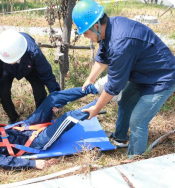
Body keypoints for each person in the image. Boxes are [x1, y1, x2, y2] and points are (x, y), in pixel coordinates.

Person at [72, 0, 175, 158]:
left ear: (96, 26)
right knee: (125, 101)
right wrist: (90, 79)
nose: (85, 36)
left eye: (86, 32)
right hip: (144, 74)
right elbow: (102, 56)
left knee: (138, 121)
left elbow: (114, 86)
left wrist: (97, 108)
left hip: (162, 78)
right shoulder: (110, 28)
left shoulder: (120, 43)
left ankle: (135, 161)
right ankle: (120, 138)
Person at [0, 77, 121, 170]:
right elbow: (4, 161)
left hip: (27, 125)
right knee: (68, 117)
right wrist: (33, 164)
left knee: (52, 98)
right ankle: (107, 99)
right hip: (35, 142)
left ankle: (93, 88)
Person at [0, 29, 60, 124]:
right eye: (9, 60)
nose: (11, 62)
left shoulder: (33, 52)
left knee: (40, 91)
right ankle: (13, 119)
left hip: (29, 67)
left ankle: (40, 117)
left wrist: (56, 96)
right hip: (6, 70)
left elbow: (47, 74)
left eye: (13, 59)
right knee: (3, 93)